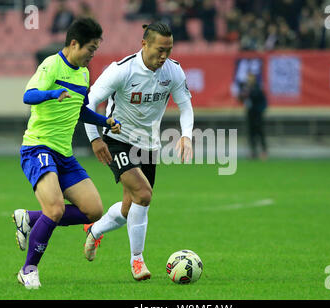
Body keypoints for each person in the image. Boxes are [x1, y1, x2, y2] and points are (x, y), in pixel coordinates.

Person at [13, 18, 121, 289]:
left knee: (94, 210)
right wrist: (51, 94)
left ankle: (29, 218)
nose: (93, 54)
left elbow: (81, 109)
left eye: (95, 49)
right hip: (38, 147)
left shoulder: (83, 74)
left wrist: (104, 121)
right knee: (55, 208)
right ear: (74, 44)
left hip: (64, 154)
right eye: (91, 49)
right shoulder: (51, 65)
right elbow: (29, 95)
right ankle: (28, 269)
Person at [83, 22, 194, 281]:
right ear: (144, 44)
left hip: (149, 146)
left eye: (169, 50)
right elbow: (90, 101)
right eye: (159, 50)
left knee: (128, 207)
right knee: (143, 195)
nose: (164, 56)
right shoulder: (121, 70)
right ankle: (137, 261)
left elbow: (186, 106)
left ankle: (95, 230)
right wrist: (95, 140)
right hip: (117, 139)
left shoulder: (173, 71)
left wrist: (186, 135)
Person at [239, 72, 268, 160]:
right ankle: (253, 151)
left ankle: (264, 151)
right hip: (250, 113)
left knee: (259, 132)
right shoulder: (246, 88)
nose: (249, 80)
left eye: (250, 78)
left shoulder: (257, 88)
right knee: (251, 133)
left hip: (257, 113)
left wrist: (248, 94)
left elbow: (259, 99)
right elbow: (242, 98)